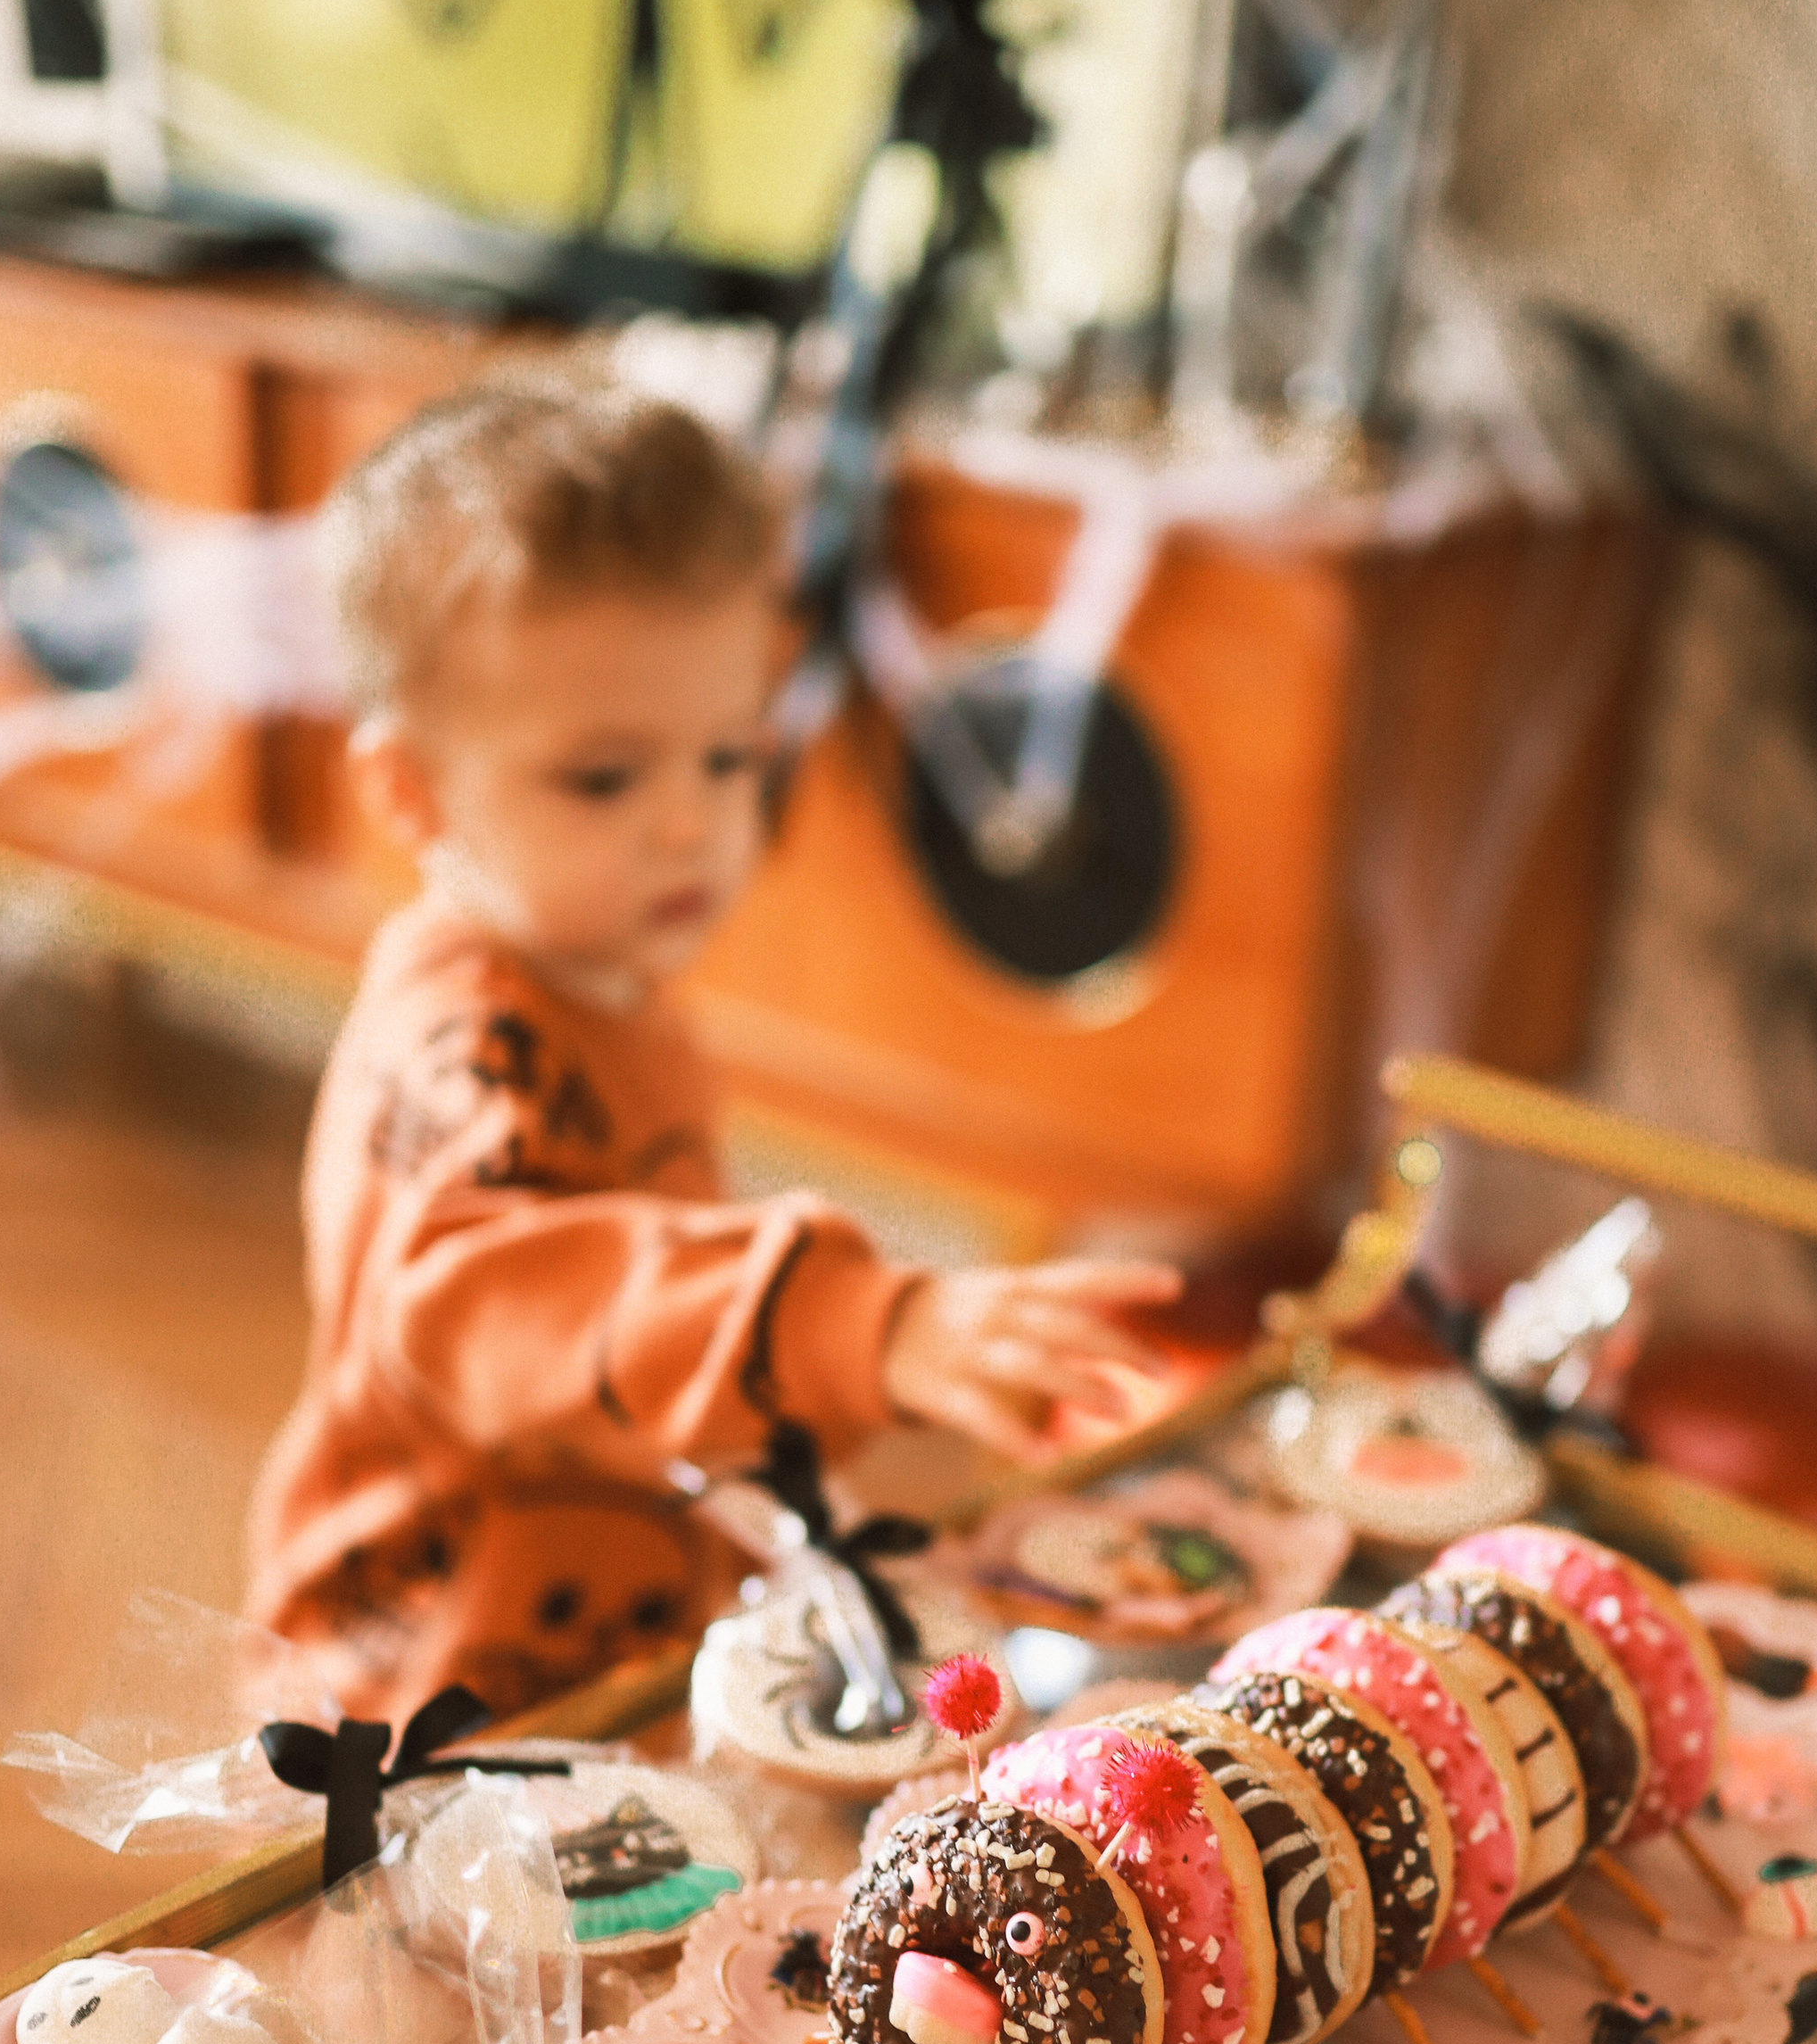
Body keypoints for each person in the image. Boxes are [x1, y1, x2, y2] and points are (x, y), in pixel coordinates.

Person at [245, 377, 1176, 1725]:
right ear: (410, 792)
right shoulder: (457, 1045)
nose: (690, 826)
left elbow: (646, 1322)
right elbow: (511, 1306)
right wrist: (856, 1326)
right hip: (422, 1686)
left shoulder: (609, 980)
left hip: (611, 1641)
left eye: (730, 758)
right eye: (606, 778)